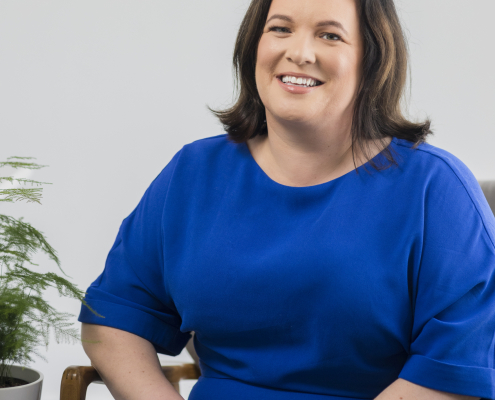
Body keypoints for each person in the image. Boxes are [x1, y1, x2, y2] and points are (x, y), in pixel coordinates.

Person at [79, 0, 495, 399]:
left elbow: (453, 369)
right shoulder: (193, 173)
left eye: (330, 35)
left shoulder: (437, 189)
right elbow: (112, 319)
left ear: (372, 60)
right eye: (280, 29)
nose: (299, 52)